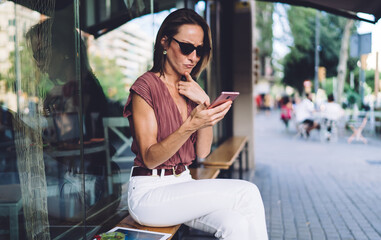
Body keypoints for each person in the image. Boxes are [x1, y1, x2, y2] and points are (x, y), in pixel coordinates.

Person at [123, 9, 268, 240]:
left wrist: (206, 105)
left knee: (236, 224)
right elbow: (150, 157)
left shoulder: (190, 88)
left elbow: (202, 151)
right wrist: (190, 125)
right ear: (165, 42)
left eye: (200, 50)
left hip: (183, 184)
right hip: (150, 193)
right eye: (186, 47)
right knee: (247, 193)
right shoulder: (145, 87)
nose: (193, 57)